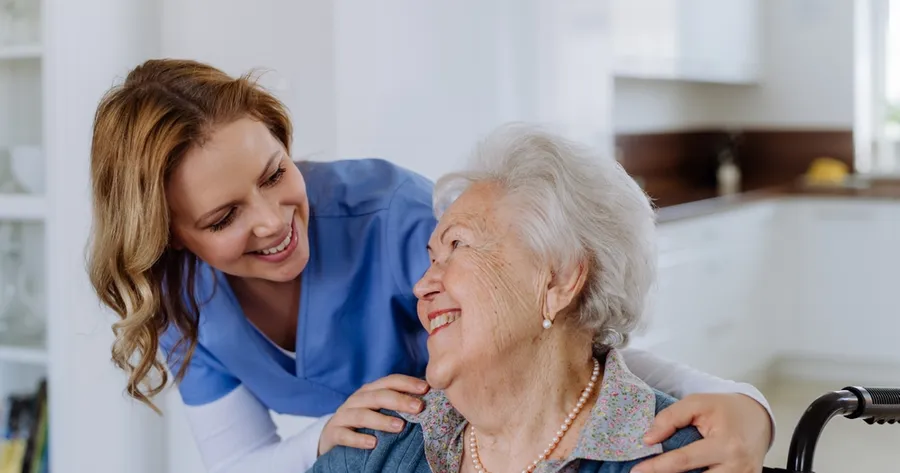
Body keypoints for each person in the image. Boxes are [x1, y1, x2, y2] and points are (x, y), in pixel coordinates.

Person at [87, 58, 773, 473]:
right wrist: (325, 440)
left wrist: (747, 406)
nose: (272, 220)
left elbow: (568, 334)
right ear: (171, 237)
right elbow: (241, 462)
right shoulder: (182, 299)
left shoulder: (397, 217)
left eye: (276, 173)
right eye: (222, 217)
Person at [312, 124, 707, 473]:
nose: (421, 286)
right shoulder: (375, 447)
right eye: (431, 259)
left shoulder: (675, 459)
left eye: (458, 245)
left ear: (559, 280)